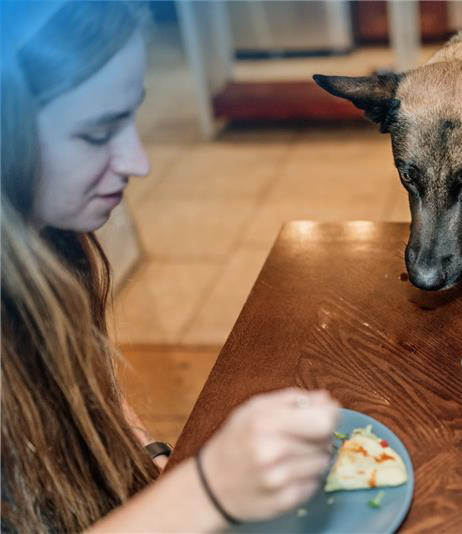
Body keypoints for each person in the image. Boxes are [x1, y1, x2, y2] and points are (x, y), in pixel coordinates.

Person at [0, 2, 339, 531]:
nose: (138, 162)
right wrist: (205, 490)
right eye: (96, 134)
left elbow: (94, 393)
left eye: (129, 117)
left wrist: (153, 459)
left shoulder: (53, 243)